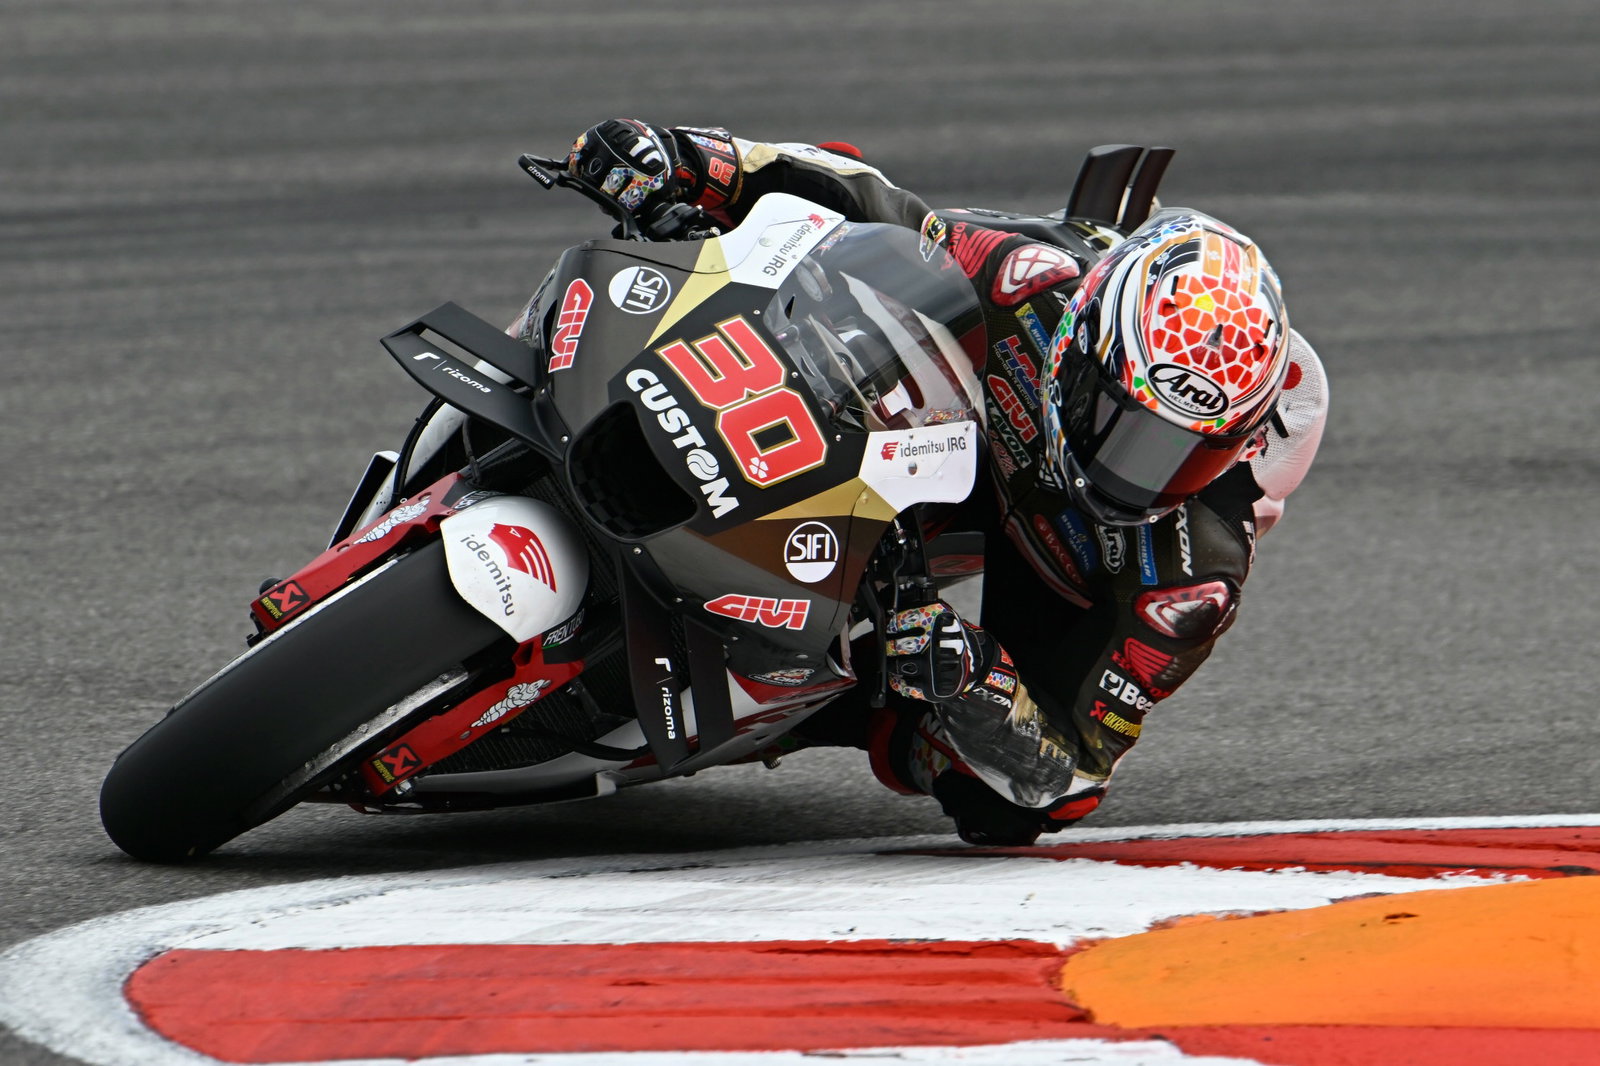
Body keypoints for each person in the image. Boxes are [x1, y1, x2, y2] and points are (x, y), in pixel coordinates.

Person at [564, 119, 1329, 845]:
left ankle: (803, 701)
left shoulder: (1192, 577)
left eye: (1181, 455)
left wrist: (974, 684)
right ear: (1082, 352)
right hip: (942, 427)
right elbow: (872, 204)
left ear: (1235, 444)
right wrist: (700, 162)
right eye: (1125, 427)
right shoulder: (1028, 281)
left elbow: (1073, 775)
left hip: (1054, 575)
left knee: (995, 811)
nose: (1135, 472)